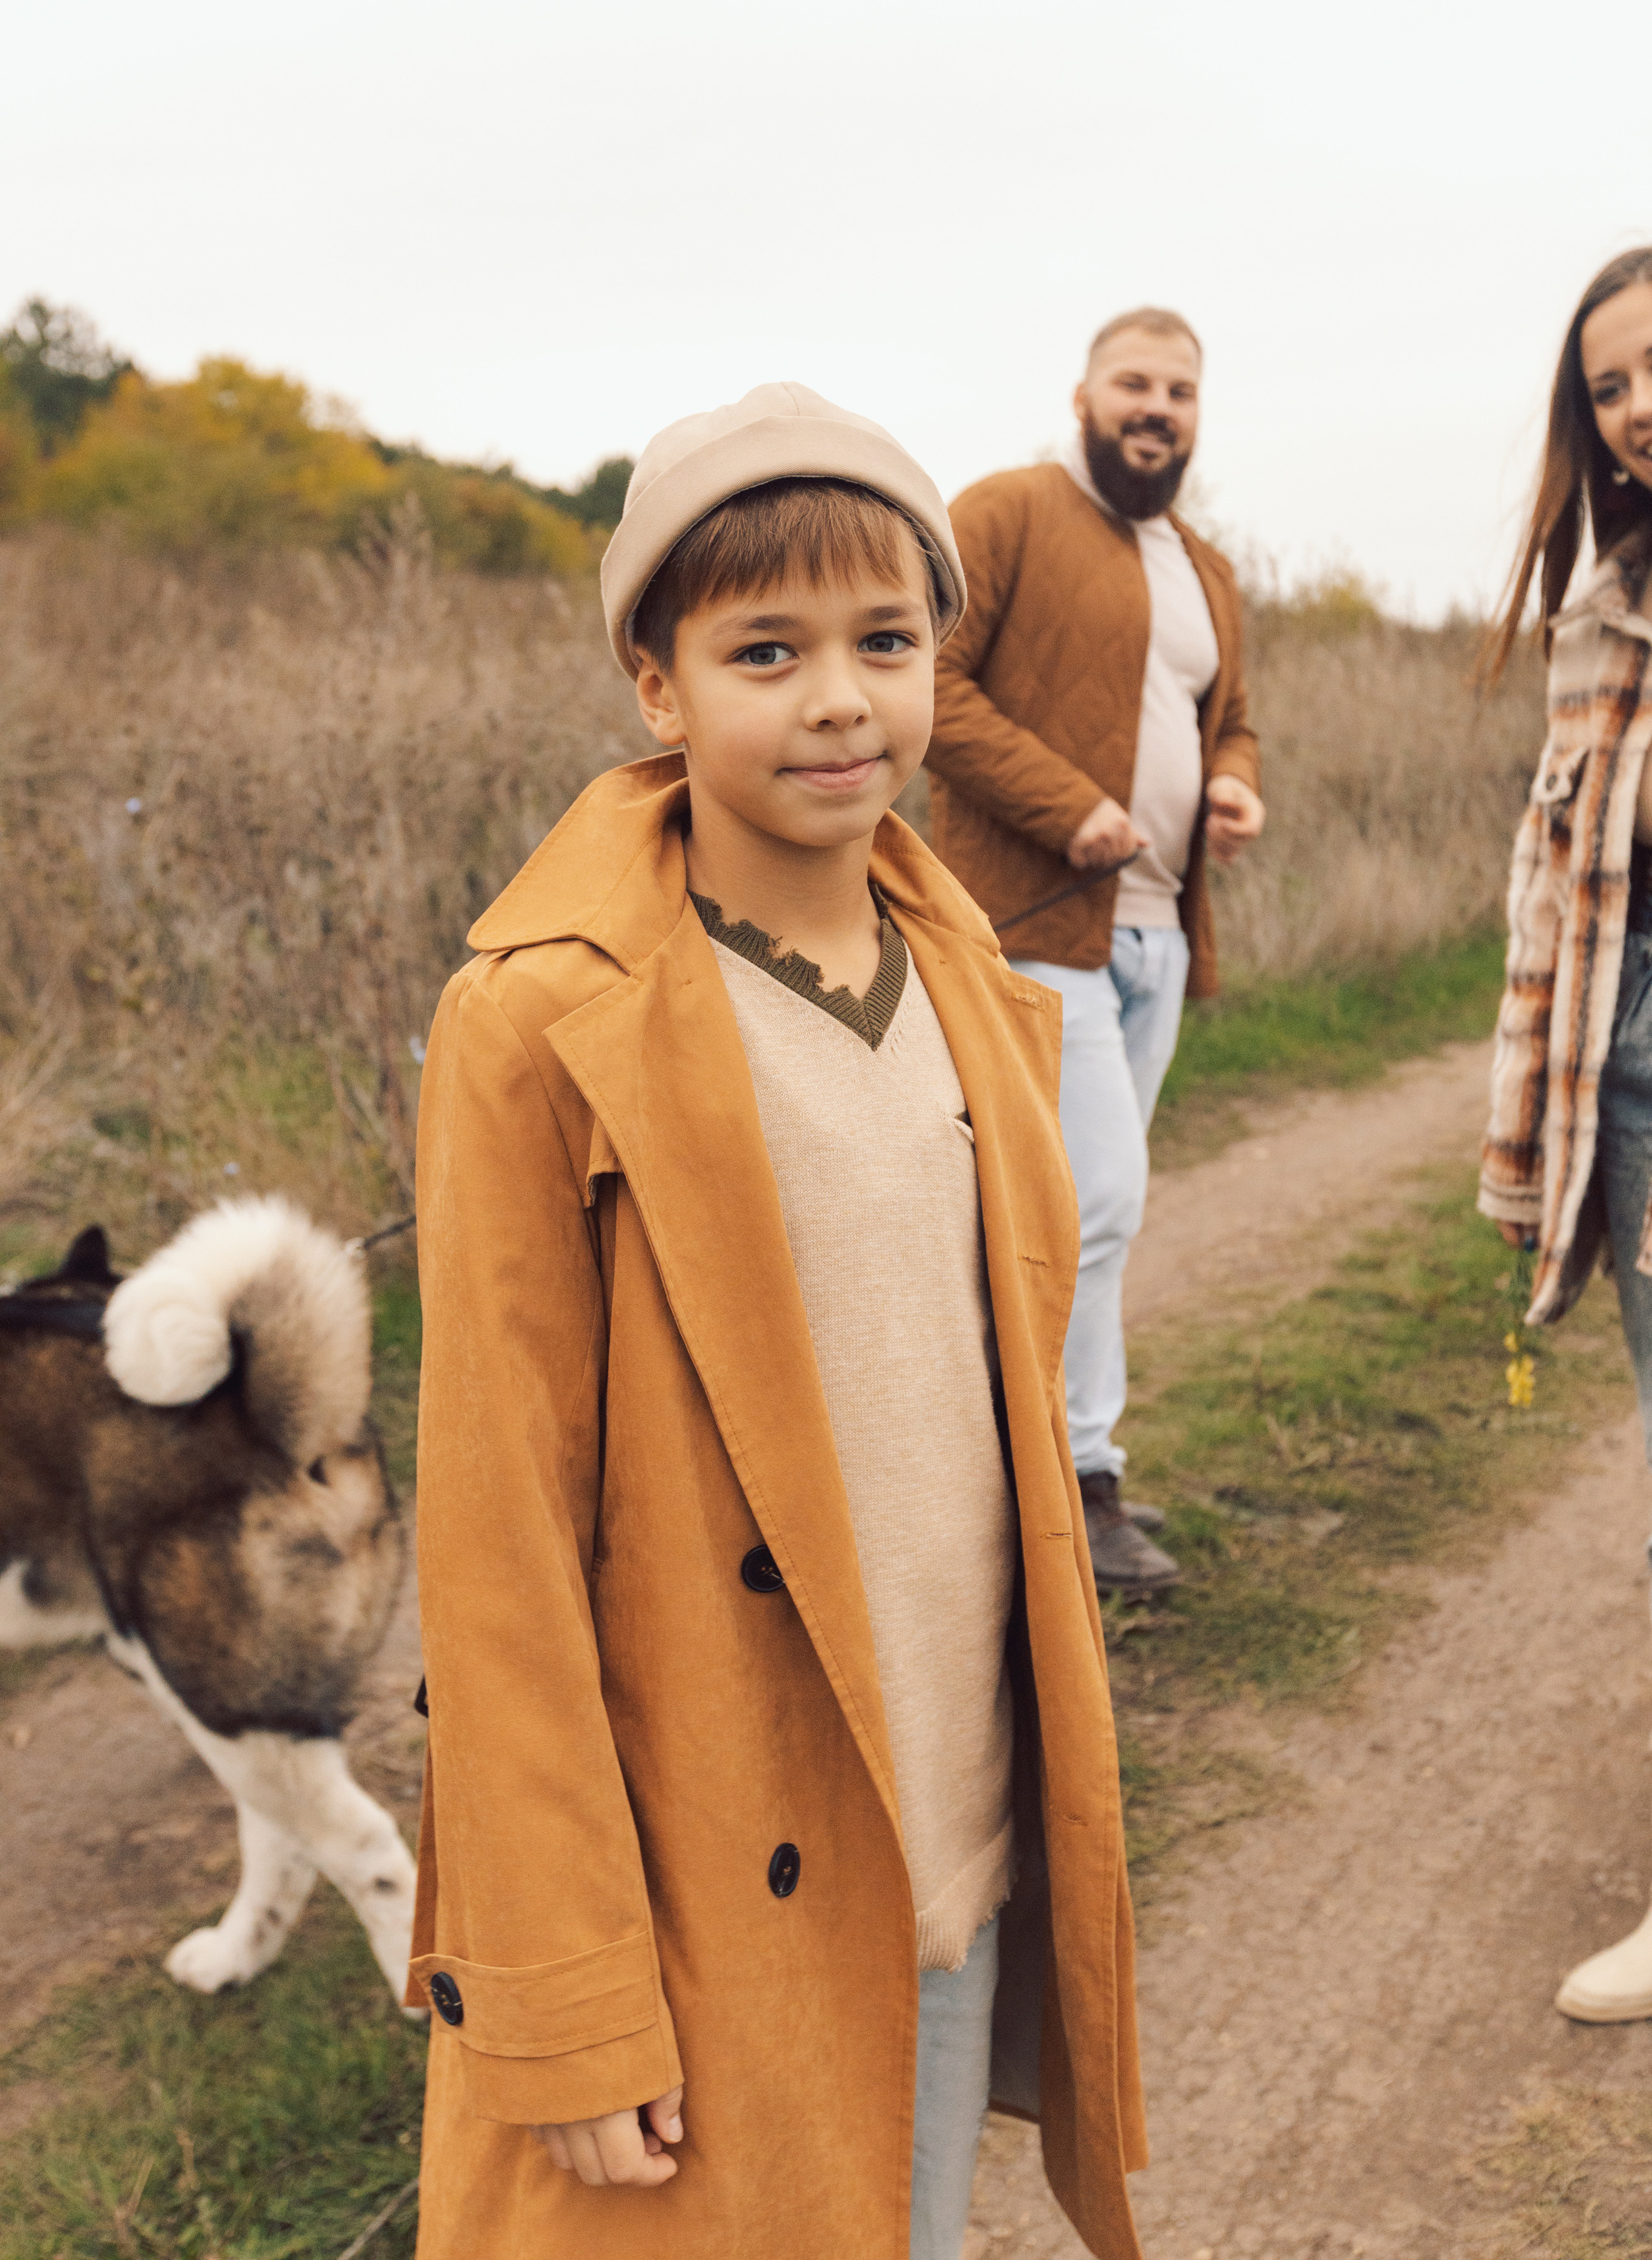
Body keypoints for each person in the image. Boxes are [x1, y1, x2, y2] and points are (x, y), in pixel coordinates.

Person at [407, 383, 1147, 2260]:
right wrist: (565, 1987)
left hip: (948, 1821)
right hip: (710, 1860)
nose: (841, 699)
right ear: (657, 685)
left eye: (886, 641)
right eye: (767, 650)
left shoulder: (969, 970)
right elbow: (496, 1545)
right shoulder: (538, 1021)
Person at [926, 311, 1264, 1594]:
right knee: (1098, 1203)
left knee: (1069, 1221)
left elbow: (1229, 722)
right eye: (1134, 382)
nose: (1156, 408)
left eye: (1178, 391)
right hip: (1026, 930)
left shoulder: (1207, 569)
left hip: (1156, 940)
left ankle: (1024, 1470)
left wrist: (1230, 787)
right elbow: (930, 687)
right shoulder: (1002, 513)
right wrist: (1065, 803)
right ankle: (1079, 1484)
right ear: (1082, 392)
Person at [1479, 246, 1652, 2023]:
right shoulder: (1597, 601)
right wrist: (1523, 1144)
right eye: (1608, 386)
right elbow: (1558, 894)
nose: (1637, 406)